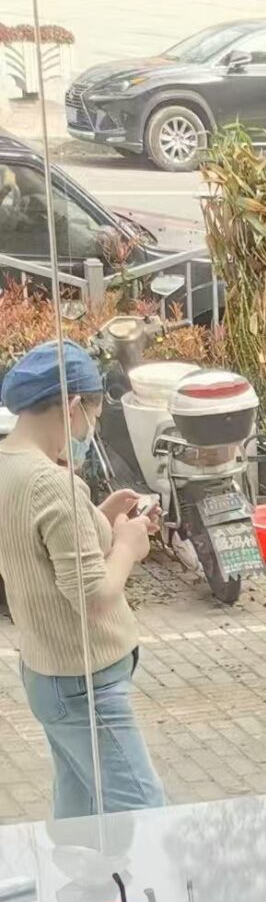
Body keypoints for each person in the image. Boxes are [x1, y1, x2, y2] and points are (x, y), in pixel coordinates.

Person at [0, 338, 163, 819]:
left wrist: (98, 517)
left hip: (48, 673)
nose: (89, 429)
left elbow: (36, 551)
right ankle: (149, 895)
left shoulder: (9, 467)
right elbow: (93, 596)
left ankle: (74, 891)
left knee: (80, 811)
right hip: (85, 683)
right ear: (73, 407)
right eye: (92, 415)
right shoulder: (53, 483)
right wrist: (128, 546)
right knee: (143, 812)